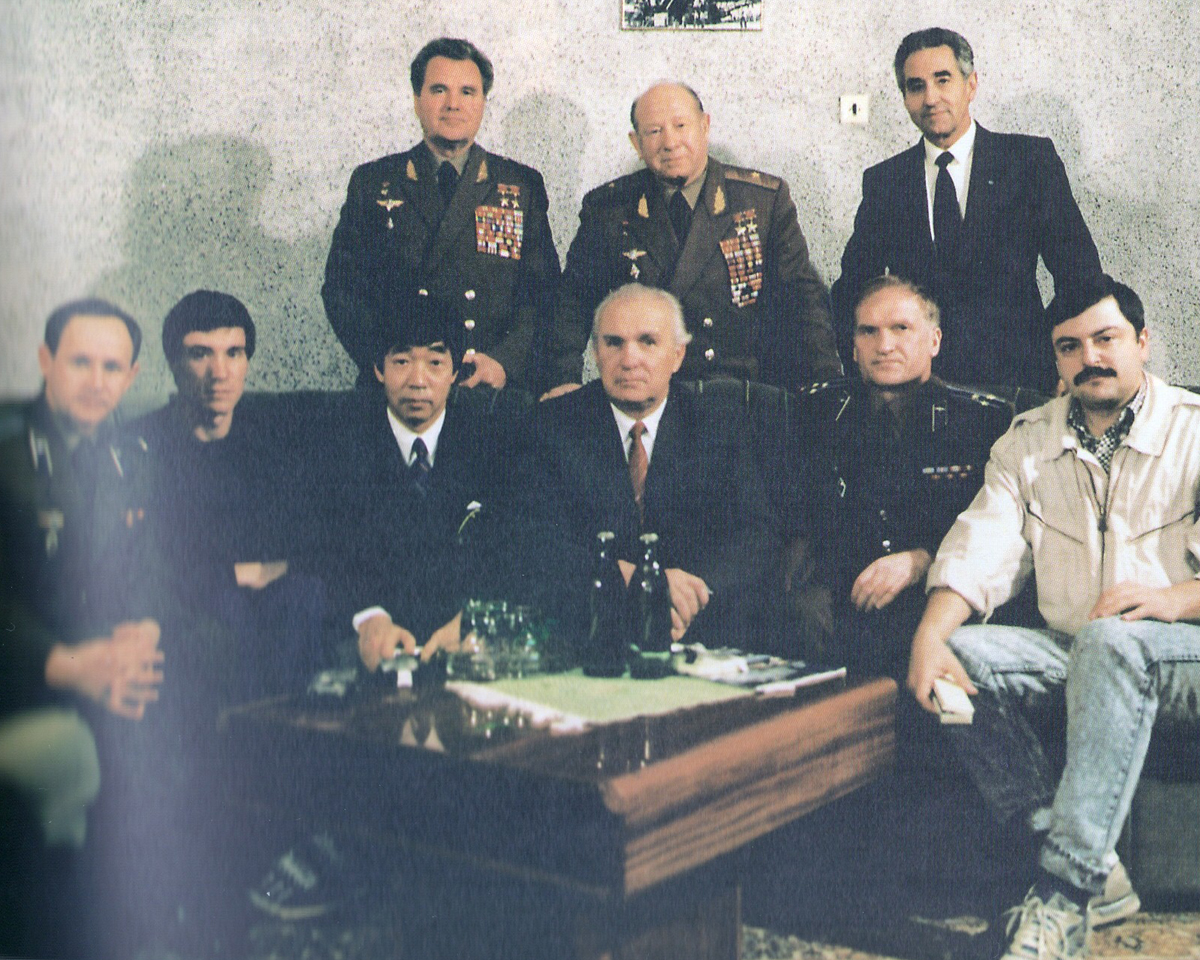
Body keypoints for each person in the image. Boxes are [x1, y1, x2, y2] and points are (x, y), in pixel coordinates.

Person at [906, 276, 1200, 958]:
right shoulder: (1026, 443)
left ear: (1143, 342)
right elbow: (980, 547)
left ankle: (1063, 895)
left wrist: (1176, 600)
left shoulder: (1194, 431)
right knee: (958, 661)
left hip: (1183, 654)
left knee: (1113, 643)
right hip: (1081, 649)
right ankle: (1091, 866)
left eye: (1106, 339)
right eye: (1070, 346)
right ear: (1056, 359)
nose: (1089, 357)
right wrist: (929, 637)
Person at [248, 291, 528, 920]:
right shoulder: (337, 438)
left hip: (463, 625)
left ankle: (462, 882)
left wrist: (474, 618)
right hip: (373, 622)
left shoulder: (498, 434)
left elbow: (521, 543)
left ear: (457, 370)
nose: (418, 380)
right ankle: (344, 857)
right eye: (401, 361)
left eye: (435, 362)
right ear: (377, 369)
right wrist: (368, 617)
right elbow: (320, 546)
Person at [0, 299, 163, 957]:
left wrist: (142, 630)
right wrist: (66, 665)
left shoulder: (131, 457)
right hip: (21, 681)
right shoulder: (9, 457)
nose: (97, 382)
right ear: (46, 362)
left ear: (132, 376)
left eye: (112, 367)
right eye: (80, 363)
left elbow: (149, 566)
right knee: (85, 758)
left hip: (99, 670)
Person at [831, 28, 1103, 394]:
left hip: (1020, 384)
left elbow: (1079, 274)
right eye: (916, 86)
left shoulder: (1028, 162)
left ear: (970, 84)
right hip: (918, 392)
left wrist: (1067, 361)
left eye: (943, 80)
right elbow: (853, 289)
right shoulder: (886, 182)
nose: (931, 98)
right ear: (904, 97)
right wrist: (862, 372)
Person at [545, 82, 841, 396]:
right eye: (654, 131)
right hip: (648, 396)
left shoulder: (761, 202)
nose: (670, 143)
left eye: (681, 126)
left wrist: (826, 387)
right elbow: (572, 301)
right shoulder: (609, 208)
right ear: (636, 143)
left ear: (705, 126)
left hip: (741, 394)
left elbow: (804, 302)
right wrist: (562, 379)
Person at [525, 283, 777, 647]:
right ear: (595, 353)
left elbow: (756, 534)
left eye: (647, 342)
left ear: (677, 355)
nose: (629, 360)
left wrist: (695, 592)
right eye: (614, 343)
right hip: (590, 627)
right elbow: (533, 540)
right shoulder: (552, 424)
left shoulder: (718, 424)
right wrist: (634, 580)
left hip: (700, 627)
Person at [790, 276, 1012, 677]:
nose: (884, 345)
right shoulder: (817, 412)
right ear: (853, 347)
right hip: (835, 603)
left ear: (934, 341)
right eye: (868, 331)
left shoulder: (982, 421)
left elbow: (997, 534)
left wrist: (921, 559)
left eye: (901, 328)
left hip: (929, 600)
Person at [322, 37, 560, 392]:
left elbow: (543, 294)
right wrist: (386, 361)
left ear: (482, 102)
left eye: (467, 92)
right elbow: (342, 289)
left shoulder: (520, 185)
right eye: (438, 90)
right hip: (399, 390)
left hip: (488, 388)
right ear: (417, 100)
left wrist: (505, 363)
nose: (453, 104)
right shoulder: (373, 183)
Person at [135, 290, 325, 707]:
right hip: (199, 602)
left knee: (304, 595)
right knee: (226, 606)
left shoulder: (274, 444)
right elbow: (153, 562)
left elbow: (312, 542)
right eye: (200, 353)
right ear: (173, 363)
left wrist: (258, 570)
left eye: (233, 353)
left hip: (269, 596)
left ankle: (292, 727)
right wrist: (241, 572)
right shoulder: (142, 446)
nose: (219, 373)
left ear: (247, 362)